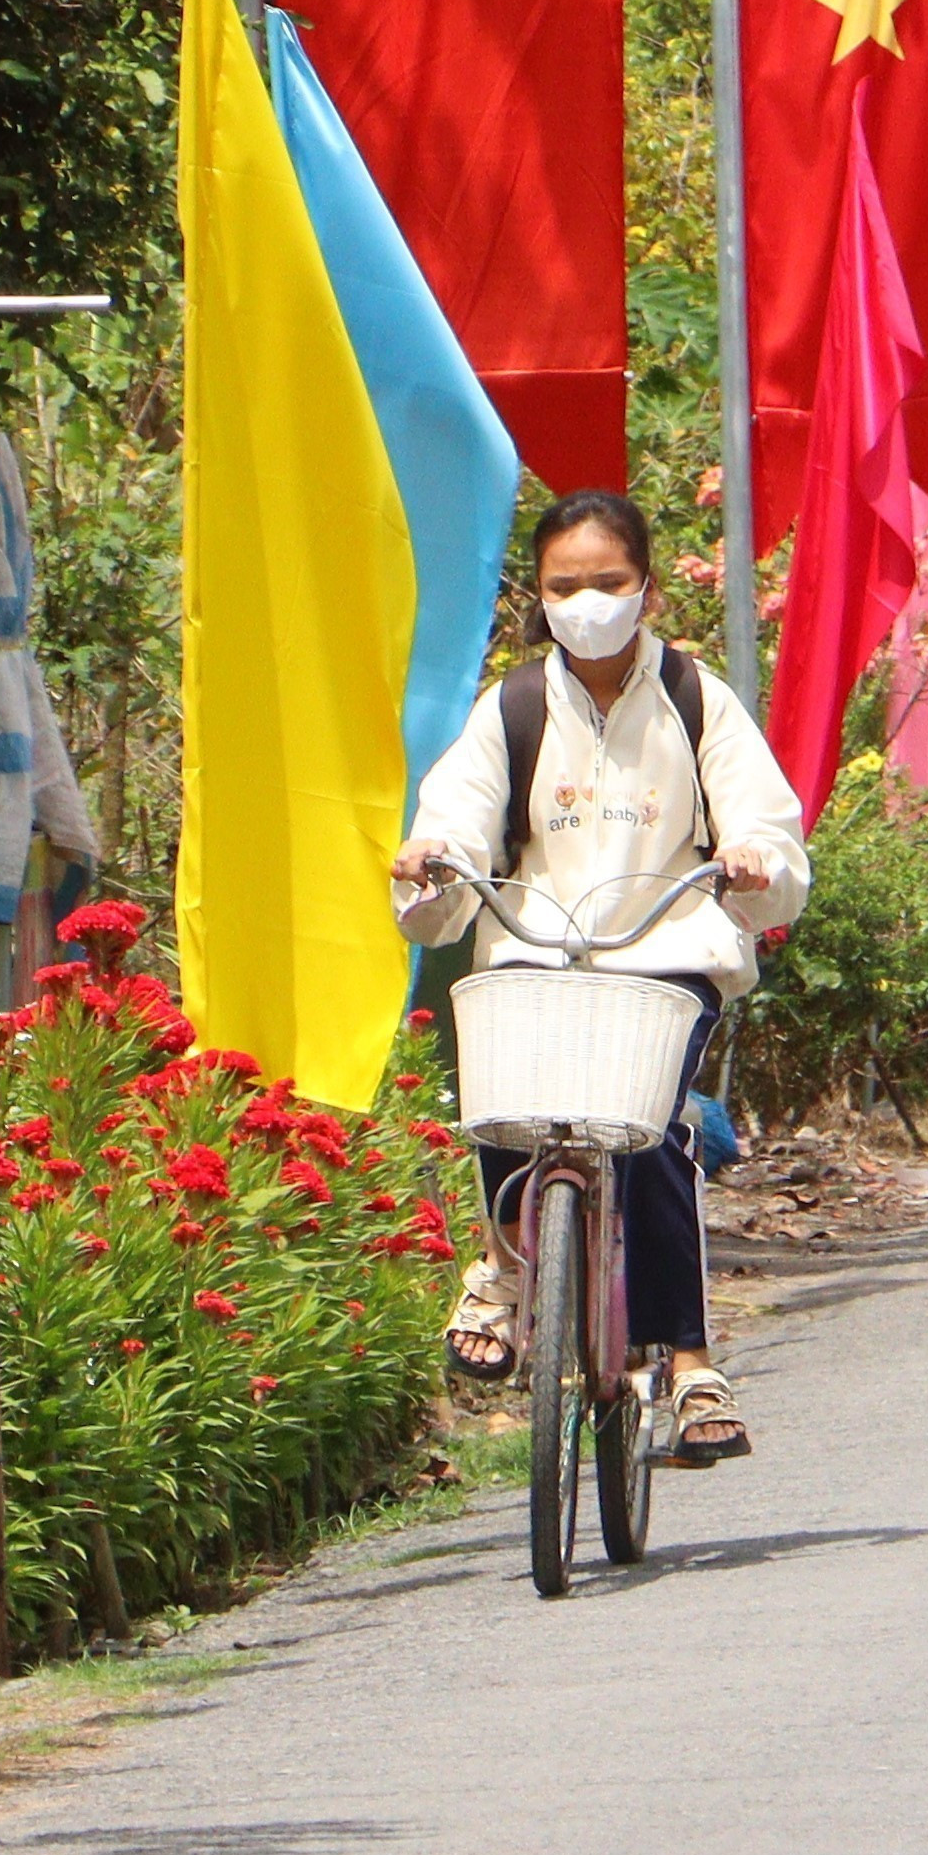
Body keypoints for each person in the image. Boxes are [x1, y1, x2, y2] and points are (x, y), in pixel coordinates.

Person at [394, 493, 811, 1464]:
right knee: (503, 1099)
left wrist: (749, 856)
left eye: (608, 582)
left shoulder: (698, 699)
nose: (587, 601)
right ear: (539, 599)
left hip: (665, 951)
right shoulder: (513, 706)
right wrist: (433, 854)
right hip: (540, 944)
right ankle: (502, 1273)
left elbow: (768, 822)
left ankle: (691, 1360)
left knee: (656, 1131)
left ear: (648, 589)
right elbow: (459, 810)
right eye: (565, 585)